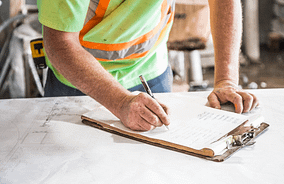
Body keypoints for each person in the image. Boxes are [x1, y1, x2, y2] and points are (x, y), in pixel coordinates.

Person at [37, 0, 258, 131]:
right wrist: (120, 101)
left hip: (151, 71)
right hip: (80, 84)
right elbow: (60, 43)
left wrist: (226, 80)